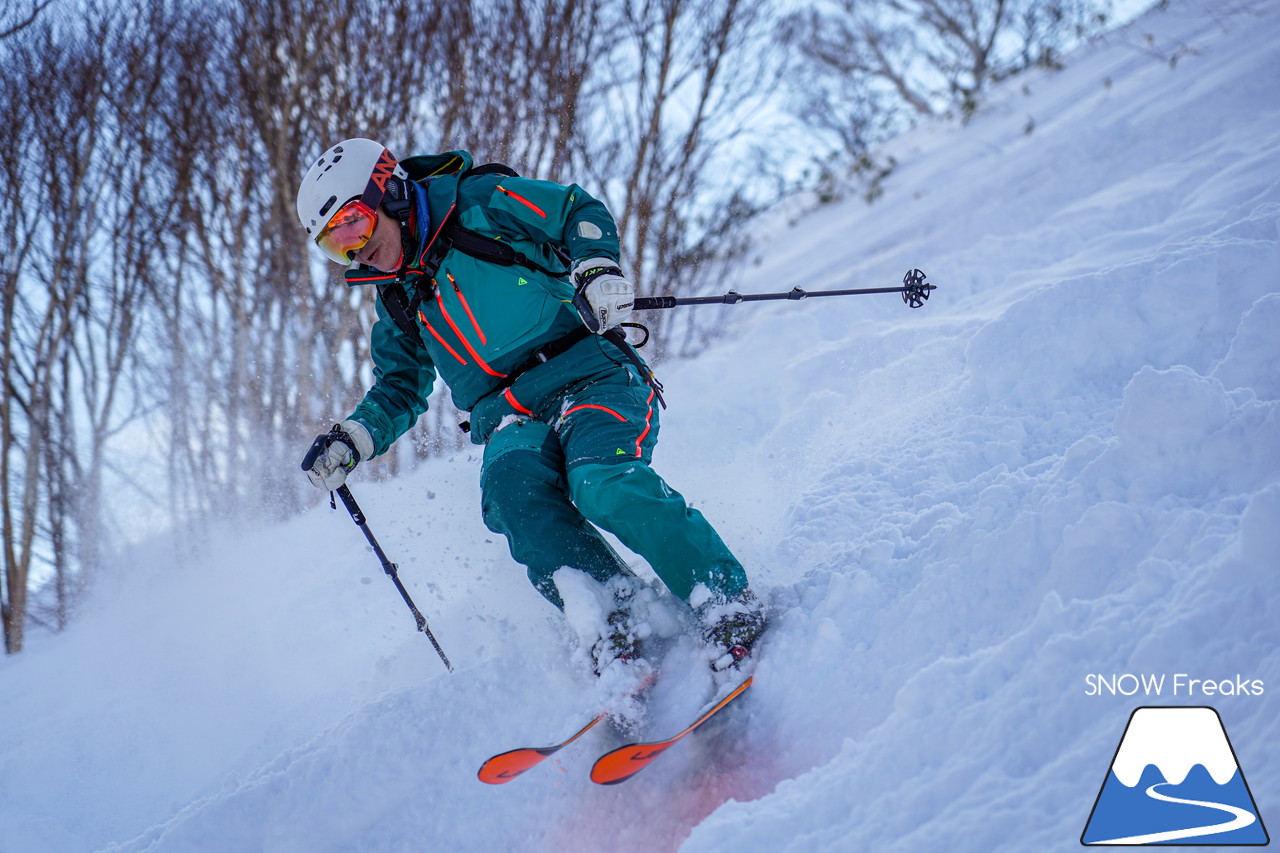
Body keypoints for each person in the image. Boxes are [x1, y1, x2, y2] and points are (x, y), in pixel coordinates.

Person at [296, 138, 764, 674]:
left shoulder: (478, 204)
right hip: (510, 416)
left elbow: (575, 211)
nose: (355, 250)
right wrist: (355, 437)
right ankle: (619, 627)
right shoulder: (397, 295)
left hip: (590, 374)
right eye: (336, 246)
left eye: (353, 225)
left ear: (392, 193)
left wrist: (596, 268)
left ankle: (723, 600)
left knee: (600, 482)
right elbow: (400, 384)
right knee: (512, 495)